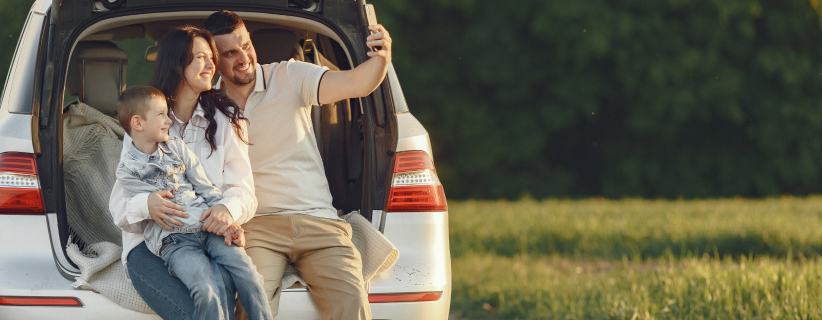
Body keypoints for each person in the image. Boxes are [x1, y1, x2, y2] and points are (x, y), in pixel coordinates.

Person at [203, 10, 393, 320]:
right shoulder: (209, 108)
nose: (244, 58)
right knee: (251, 307)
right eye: (230, 53)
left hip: (318, 222)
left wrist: (381, 59)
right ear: (214, 61)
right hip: (256, 229)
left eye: (246, 45)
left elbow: (358, 82)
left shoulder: (289, 75)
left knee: (352, 304)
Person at [109, 26, 258, 320]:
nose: (212, 64)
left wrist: (226, 210)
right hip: (152, 244)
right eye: (201, 57)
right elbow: (119, 208)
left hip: (207, 235)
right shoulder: (147, 121)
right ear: (178, 64)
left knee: (221, 300)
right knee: (199, 312)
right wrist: (147, 204)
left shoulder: (228, 120)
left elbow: (244, 191)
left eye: (211, 57)